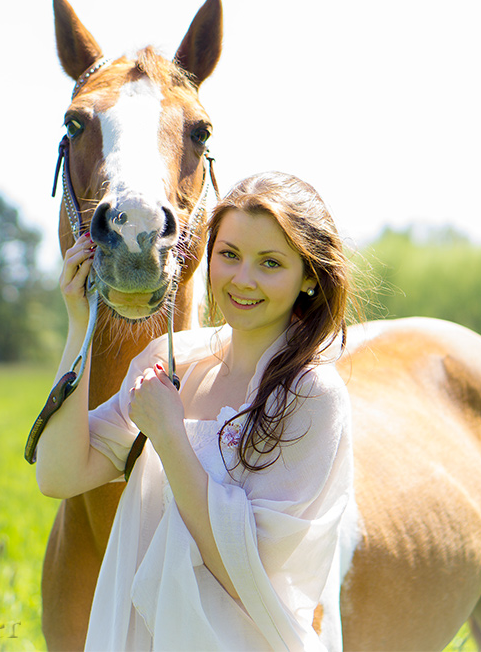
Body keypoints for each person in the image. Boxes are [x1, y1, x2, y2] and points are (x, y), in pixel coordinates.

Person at [35, 171, 356, 651]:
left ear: (310, 276)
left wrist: (169, 437)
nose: (242, 280)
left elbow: (250, 574)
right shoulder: (174, 362)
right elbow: (58, 474)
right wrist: (80, 321)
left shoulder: (311, 393)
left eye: (270, 263)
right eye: (228, 255)